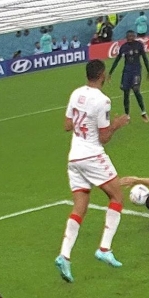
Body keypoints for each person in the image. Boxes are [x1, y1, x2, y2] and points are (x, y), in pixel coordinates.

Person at [56, 60, 130, 283]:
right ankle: (104, 248)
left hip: (74, 157)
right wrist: (118, 123)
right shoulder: (103, 100)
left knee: (80, 206)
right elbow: (104, 137)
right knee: (117, 196)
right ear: (103, 76)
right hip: (91, 155)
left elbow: (67, 125)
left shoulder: (76, 93)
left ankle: (64, 255)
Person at [109, 30, 149, 123]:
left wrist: (148, 70)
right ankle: (127, 115)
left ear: (134, 36)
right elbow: (117, 60)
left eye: (131, 36)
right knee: (126, 93)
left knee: (136, 89)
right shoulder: (124, 47)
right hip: (127, 72)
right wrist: (110, 72)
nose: (130, 38)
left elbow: (144, 57)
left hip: (136, 71)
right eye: (128, 36)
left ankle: (143, 112)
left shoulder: (139, 45)